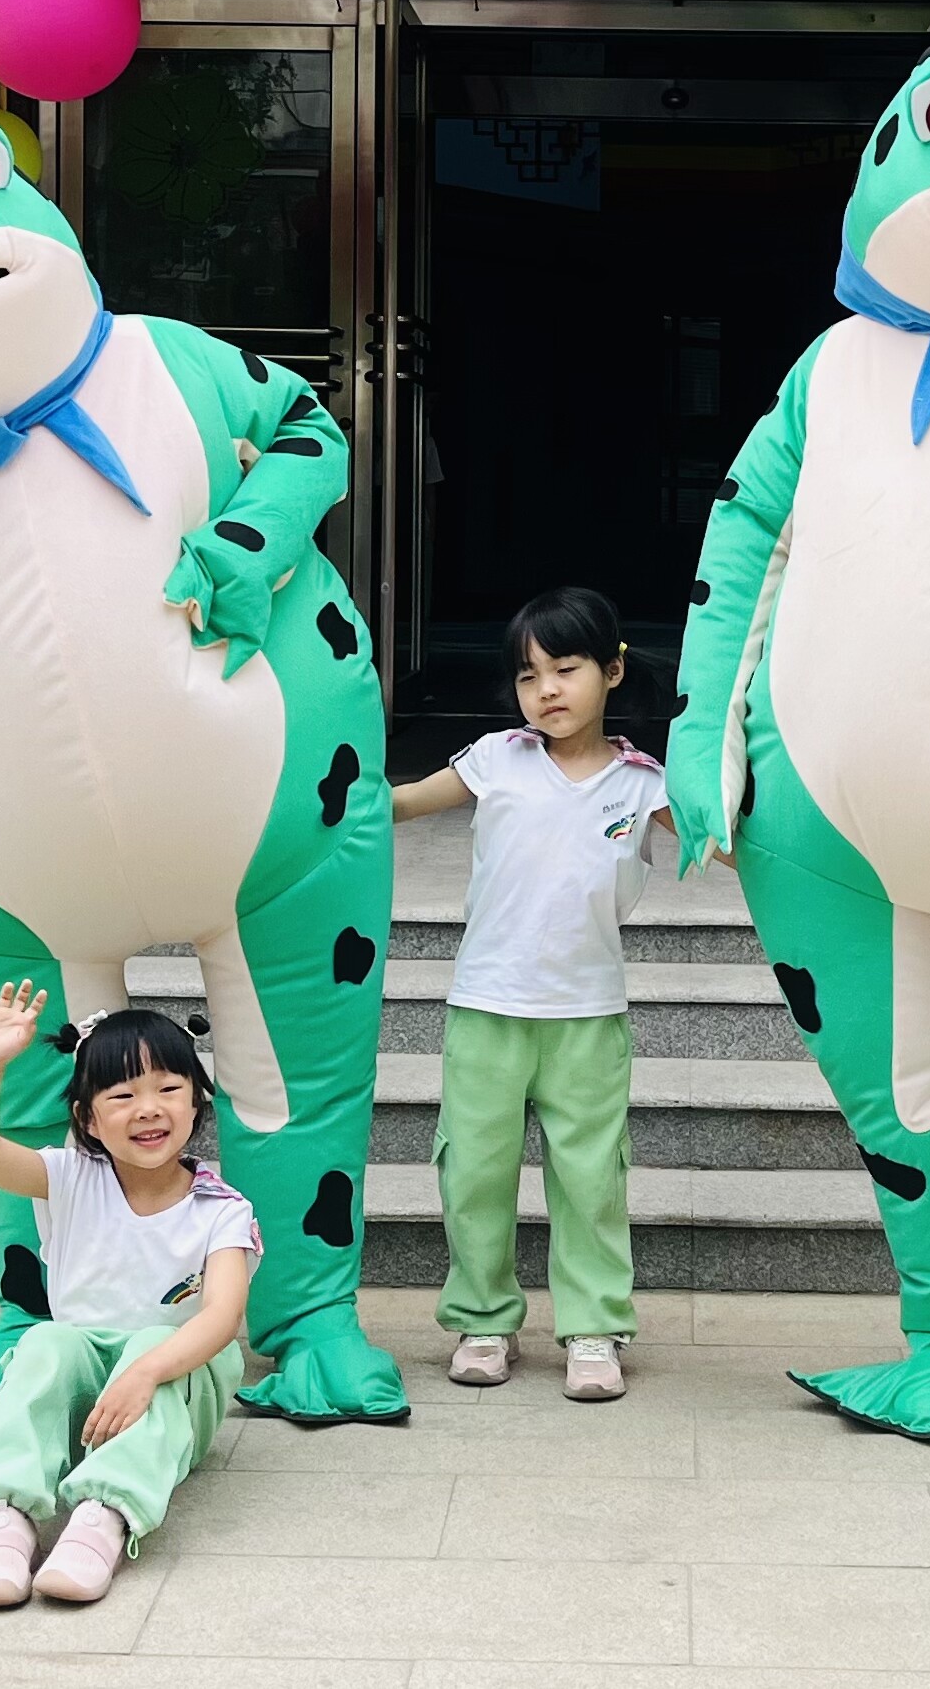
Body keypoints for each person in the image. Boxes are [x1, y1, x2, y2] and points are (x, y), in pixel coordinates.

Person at [390, 586, 668, 1402]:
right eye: (527, 675)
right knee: (473, 1170)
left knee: (591, 1178)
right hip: (486, 1005)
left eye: (566, 668)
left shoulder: (642, 785)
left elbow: (732, 848)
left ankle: (592, 1330)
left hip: (587, 1014)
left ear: (613, 671)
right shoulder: (496, 759)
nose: (546, 689)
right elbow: (402, 803)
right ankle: (483, 1320)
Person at [0, 989, 261, 1608]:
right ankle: (2, 1520)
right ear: (88, 1118)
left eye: (168, 1088)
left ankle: (103, 1519)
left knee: (157, 1338)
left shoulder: (222, 1210)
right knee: (45, 1340)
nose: (148, 1109)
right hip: (87, 1397)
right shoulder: (66, 1177)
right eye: (122, 1096)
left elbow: (222, 1318)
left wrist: (147, 1370)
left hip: (174, 1386)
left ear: (197, 1100)